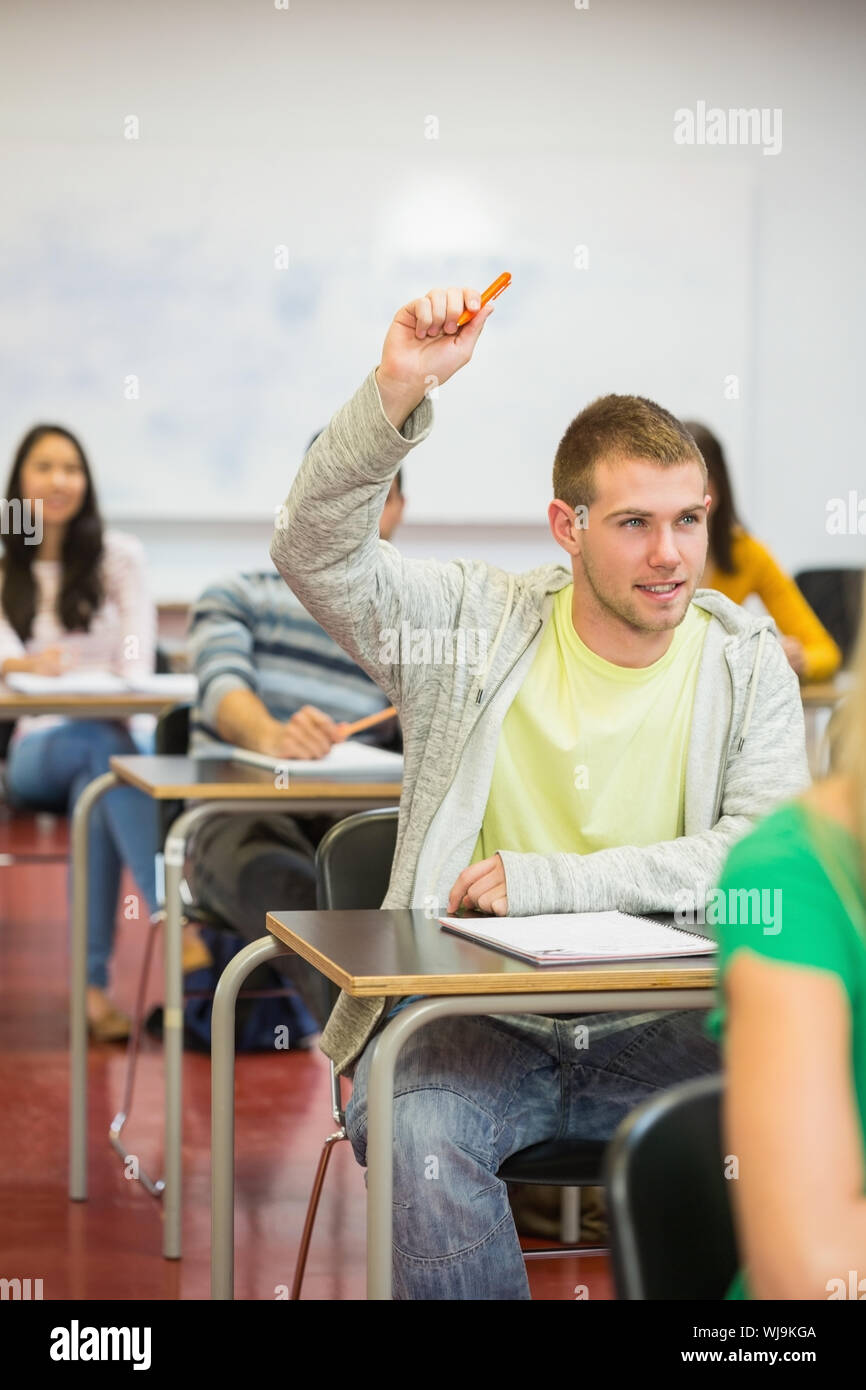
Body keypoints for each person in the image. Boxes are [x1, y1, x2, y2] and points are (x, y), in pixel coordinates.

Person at [269, 283, 811, 1299]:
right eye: (635, 523)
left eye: (688, 520)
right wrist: (397, 389)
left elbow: (755, 853)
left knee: (798, 1112)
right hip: (472, 1026)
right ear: (564, 524)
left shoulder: (744, 662)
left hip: (669, 1023)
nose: (669, 555)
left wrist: (549, 881)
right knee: (423, 1135)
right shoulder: (467, 628)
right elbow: (311, 550)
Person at [184, 471, 405, 1034]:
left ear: (398, 510)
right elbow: (220, 687)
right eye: (337, 492)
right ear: (304, 504)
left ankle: (424, 1066)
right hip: (234, 816)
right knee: (299, 894)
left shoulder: (403, 625)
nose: (354, 511)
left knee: (414, 891)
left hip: (350, 817)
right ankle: (385, 1076)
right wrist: (270, 736)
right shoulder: (239, 593)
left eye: (376, 496)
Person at [710, 576, 866, 1300]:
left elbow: (819, 646)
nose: (665, 552)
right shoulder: (792, 872)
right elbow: (813, 1274)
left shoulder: (745, 567)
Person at [0, 424, 160, 1041]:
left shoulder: (120, 557)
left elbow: (138, 662)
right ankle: (173, 915)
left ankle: (94, 993)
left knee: (102, 779)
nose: (60, 480)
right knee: (104, 754)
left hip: (116, 741)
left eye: (71, 467)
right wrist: (19, 664)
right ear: (19, 480)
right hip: (34, 747)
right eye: (44, 466)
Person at [687, 421, 842, 682]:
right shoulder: (645, 553)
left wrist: (795, 659)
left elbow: (824, 652)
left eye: (700, 482)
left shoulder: (747, 554)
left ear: (717, 488)